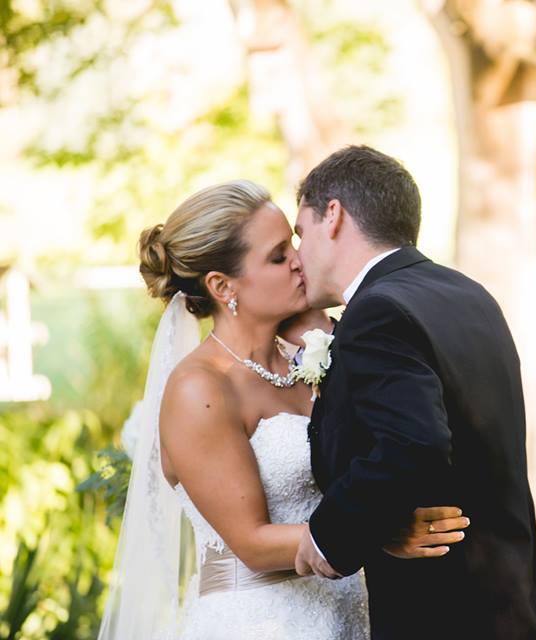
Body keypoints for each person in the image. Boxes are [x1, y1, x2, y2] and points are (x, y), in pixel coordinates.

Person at [98, 180, 467, 640]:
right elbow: (251, 542)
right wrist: (378, 530)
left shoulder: (312, 354)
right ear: (221, 286)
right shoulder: (201, 388)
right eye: (277, 256)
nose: (298, 259)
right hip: (261, 621)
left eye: (293, 244)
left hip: (350, 611)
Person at [290, 145, 536, 639]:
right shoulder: (466, 292)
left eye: (299, 231)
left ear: (332, 215)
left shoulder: (377, 313)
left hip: (445, 612)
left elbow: (414, 444)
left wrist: (328, 536)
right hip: (515, 604)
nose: (297, 254)